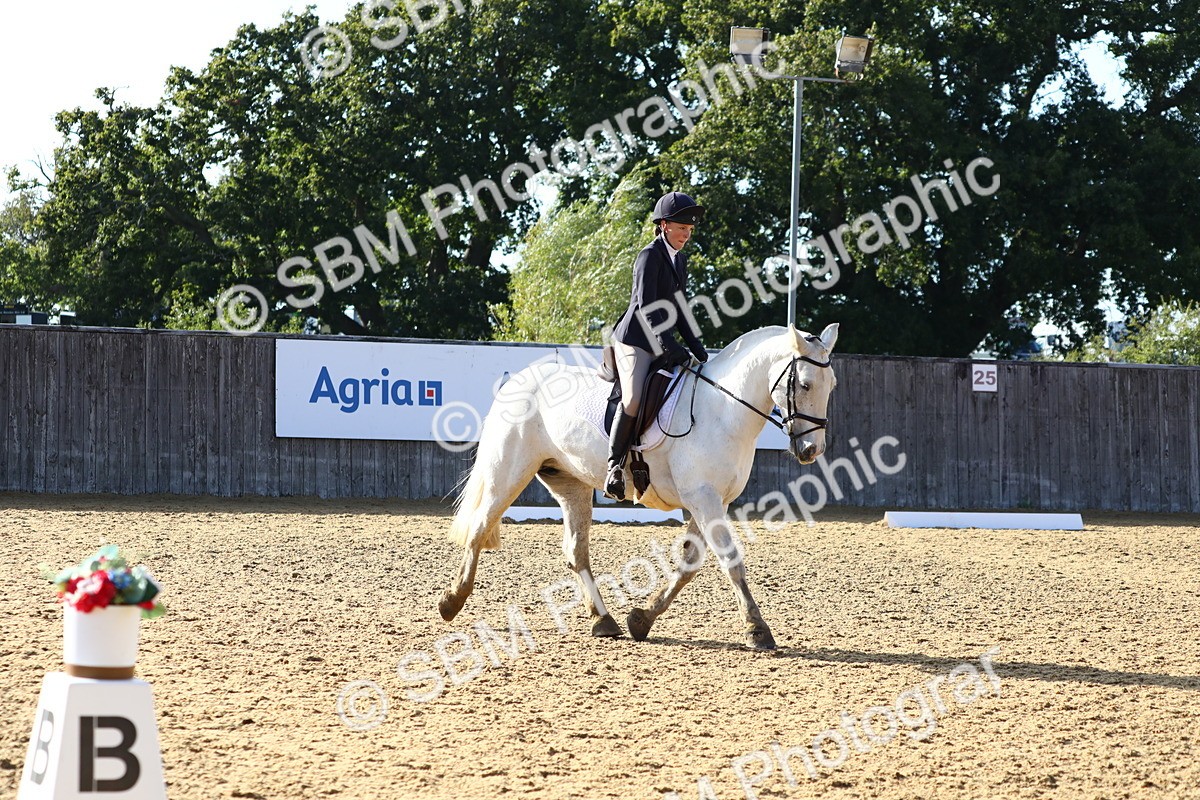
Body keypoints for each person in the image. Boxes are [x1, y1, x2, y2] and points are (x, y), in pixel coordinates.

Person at [605, 191, 710, 500]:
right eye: (681, 228)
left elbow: (680, 309)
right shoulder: (649, 256)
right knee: (633, 399)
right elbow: (646, 307)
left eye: (690, 230)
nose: (686, 235)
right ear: (664, 225)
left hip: (661, 341)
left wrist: (698, 349)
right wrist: (668, 345)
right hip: (635, 340)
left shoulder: (680, 261)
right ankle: (613, 467)